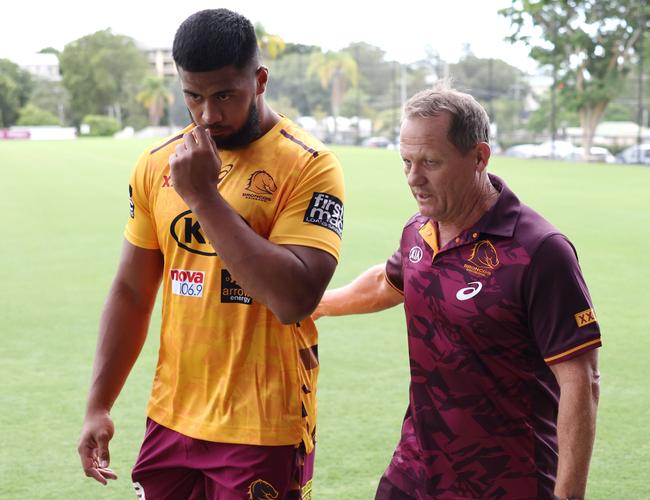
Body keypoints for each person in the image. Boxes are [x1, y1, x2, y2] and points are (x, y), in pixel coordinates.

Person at [77, 9, 344, 499]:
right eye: (193, 97)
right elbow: (132, 291)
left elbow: (294, 299)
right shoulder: (159, 163)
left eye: (225, 95)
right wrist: (99, 404)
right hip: (171, 419)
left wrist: (203, 198)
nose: (208, 115)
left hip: (264, 427)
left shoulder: (309, 165)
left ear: (259, 80)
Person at [314, 83, 601, 499]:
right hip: (415, 469)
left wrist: (568, 496)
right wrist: (316, 306)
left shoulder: (539, 251)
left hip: (506, 480)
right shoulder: (419, 231)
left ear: (479, 157)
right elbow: (389, 282)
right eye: (406, 162)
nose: (414, 178)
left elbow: (581, 379)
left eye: (430, 162)